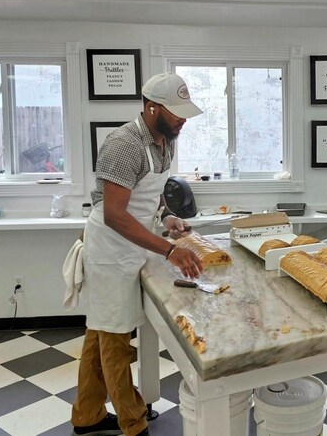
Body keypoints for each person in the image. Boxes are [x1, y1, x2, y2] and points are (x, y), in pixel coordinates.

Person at [71, 73, 204, 436]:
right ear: (151, 107)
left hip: (136, 244)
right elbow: (115, 214)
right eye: (176, 112)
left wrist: (168, 217)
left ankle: (87, 415)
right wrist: (169, 250)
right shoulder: (123, 144)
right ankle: (133, 423)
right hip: (111, 248)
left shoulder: (166, 140)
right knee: (114, 337)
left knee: (100, 332)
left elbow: (152, 194)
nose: (182, 119)